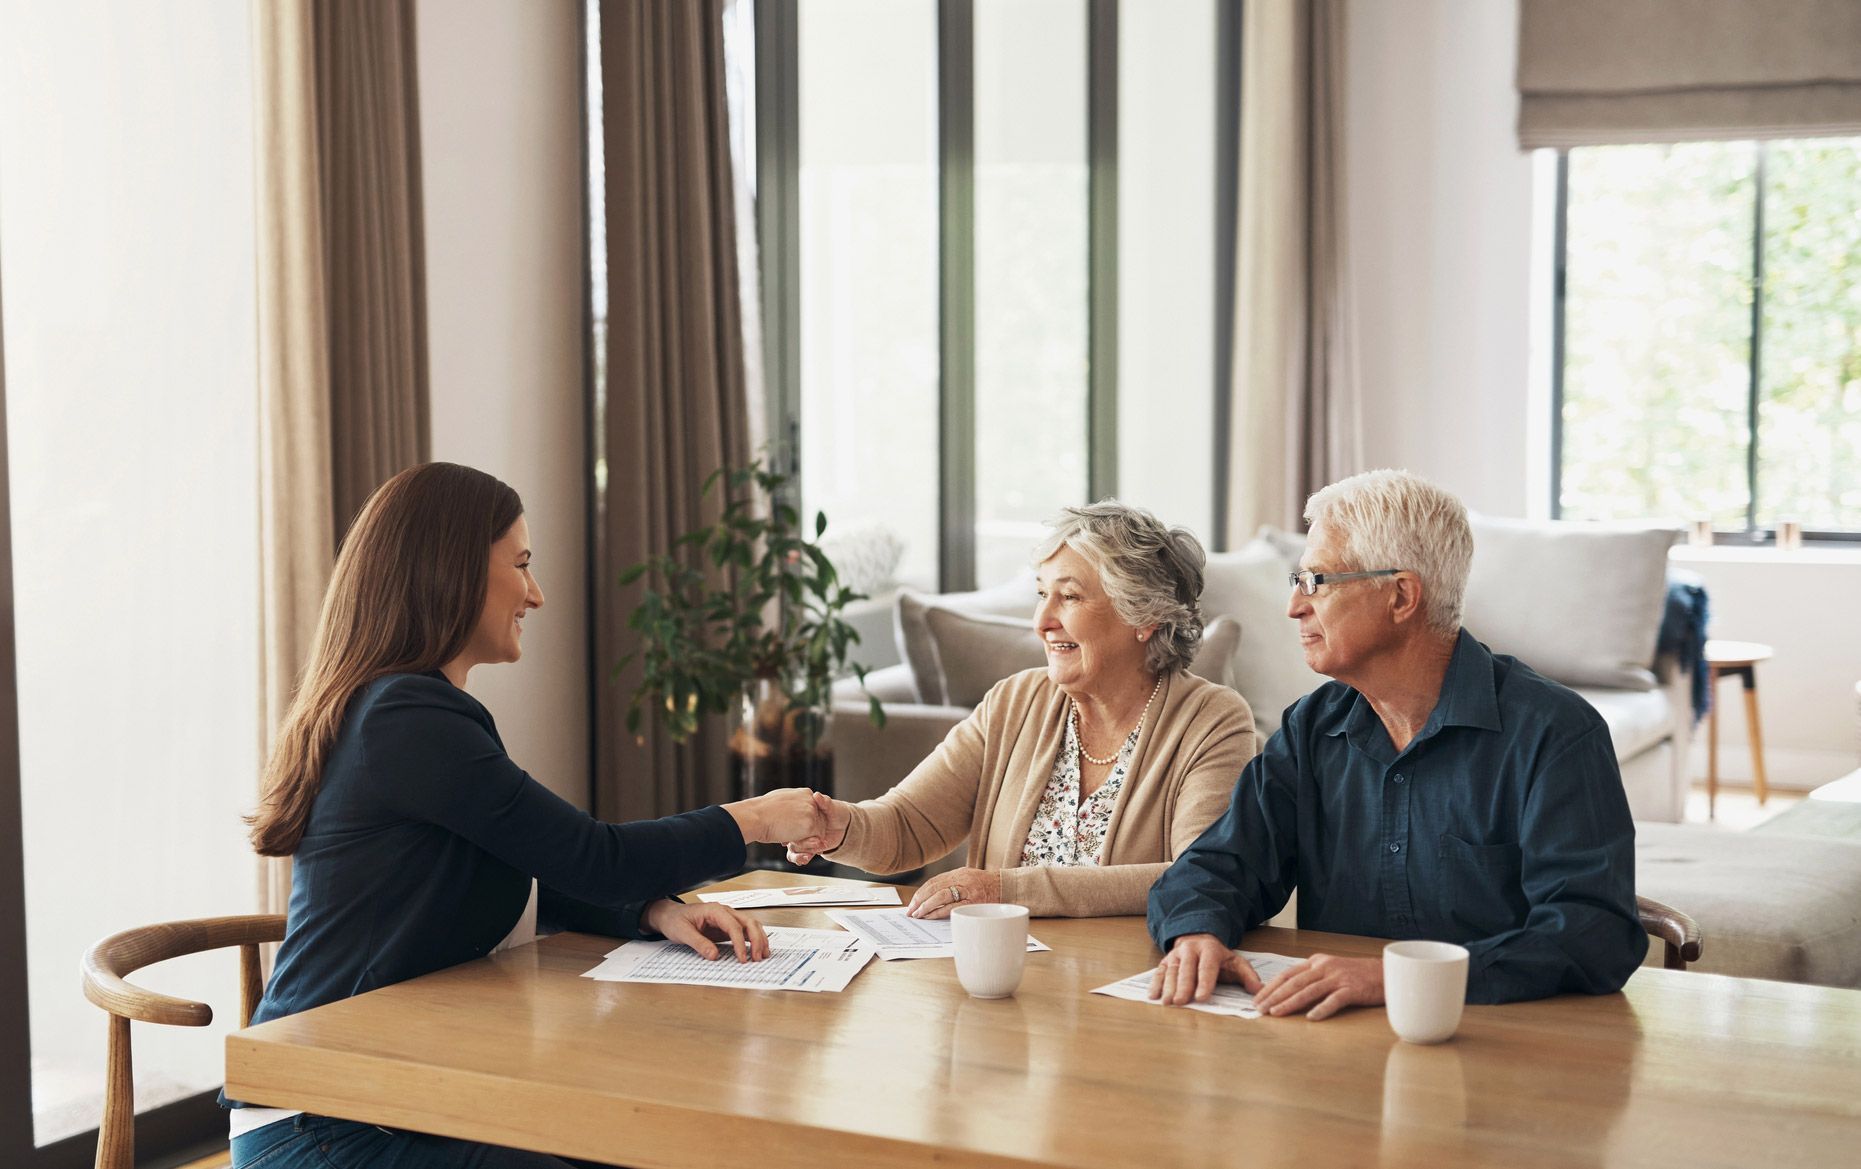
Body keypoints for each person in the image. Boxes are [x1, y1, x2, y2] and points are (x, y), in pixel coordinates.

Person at [228, 463, 826, 1169]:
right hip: (329, 1122)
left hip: (387, 1098)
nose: (536, 594)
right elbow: (592, 855)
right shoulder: (406, 718)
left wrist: (650, 910)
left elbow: (524, 862)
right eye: (520, 565)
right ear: (449, 571)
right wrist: (753, 818)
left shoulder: (403, 709)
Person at [1147, 469, 1644, 1016]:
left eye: (1316, 581)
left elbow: (1593, 934)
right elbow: (1220, 866)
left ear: (1402, 596)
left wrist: (1396, 980)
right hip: (1337, 1048)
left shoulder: (1555, 735)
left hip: (1505, 1050)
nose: (1294, 607)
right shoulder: (1311, 729)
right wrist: (1196, 934)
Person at [785, 502, 1259, 919]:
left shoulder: (1212, 720)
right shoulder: (1014, 702)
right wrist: (838, 826)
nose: (1042, 622)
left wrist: (1005, 889)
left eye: (1069, 596)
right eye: (1041, 594)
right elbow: (909, 826)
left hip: (1129, 982)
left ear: (1145, 616)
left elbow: (1198, 876)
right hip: (1003, 978)